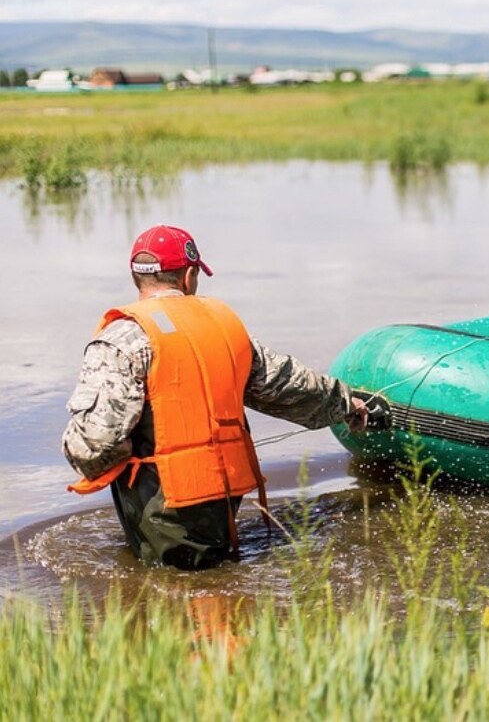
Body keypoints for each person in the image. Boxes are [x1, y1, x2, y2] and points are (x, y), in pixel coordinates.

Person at [63, 224, 372, 570]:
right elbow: (286, 384)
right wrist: (345, 403)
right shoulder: (223, 327)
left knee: (170, 583)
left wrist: (115, 459)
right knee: (215, 572)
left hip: (164, 501)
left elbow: (94, 442)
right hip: (224, 493)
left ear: (137, 277)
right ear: (189, 276)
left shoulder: (122, 339)